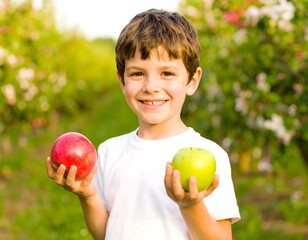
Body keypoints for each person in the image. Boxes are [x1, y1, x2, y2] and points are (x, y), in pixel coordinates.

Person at [46, 8, 240, 239]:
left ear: (192, 80)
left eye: (167, 73)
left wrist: (189, 205)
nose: (151, 86)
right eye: (137, 74)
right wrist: (87, 195)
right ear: (122, 80)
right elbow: (106, 233)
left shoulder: (212, 155)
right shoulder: (110, 151)